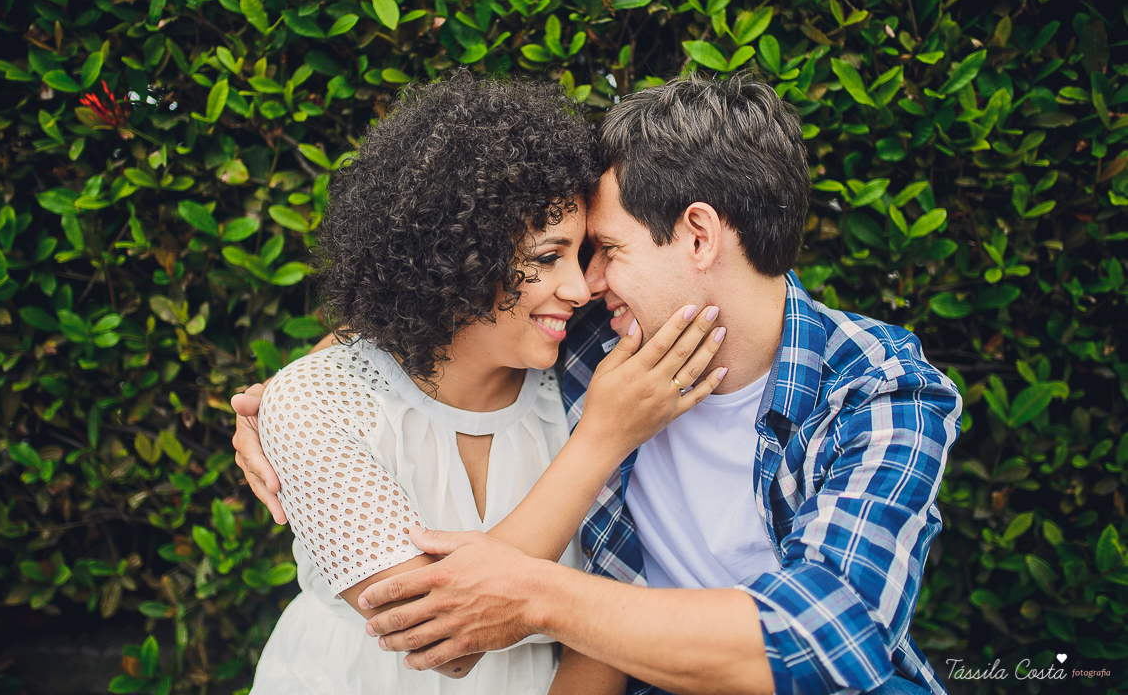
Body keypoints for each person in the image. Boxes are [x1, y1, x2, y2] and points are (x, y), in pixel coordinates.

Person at [235, 74, 961, 695]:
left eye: (606, 250)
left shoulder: (878, 390)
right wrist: (287, 395)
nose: (585, 285)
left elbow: (824, 640)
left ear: (700, 236)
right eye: (577, 255)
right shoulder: (588, 343)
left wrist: (535, 597)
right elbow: (443, 299)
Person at [240, 71, 728, 695]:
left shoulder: (582, 380)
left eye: (583, 256)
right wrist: (604, 438)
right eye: (549, 257)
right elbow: (436, 635)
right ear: (458, 253)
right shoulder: (322, 401)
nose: (581, 289)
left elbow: (609, 616)